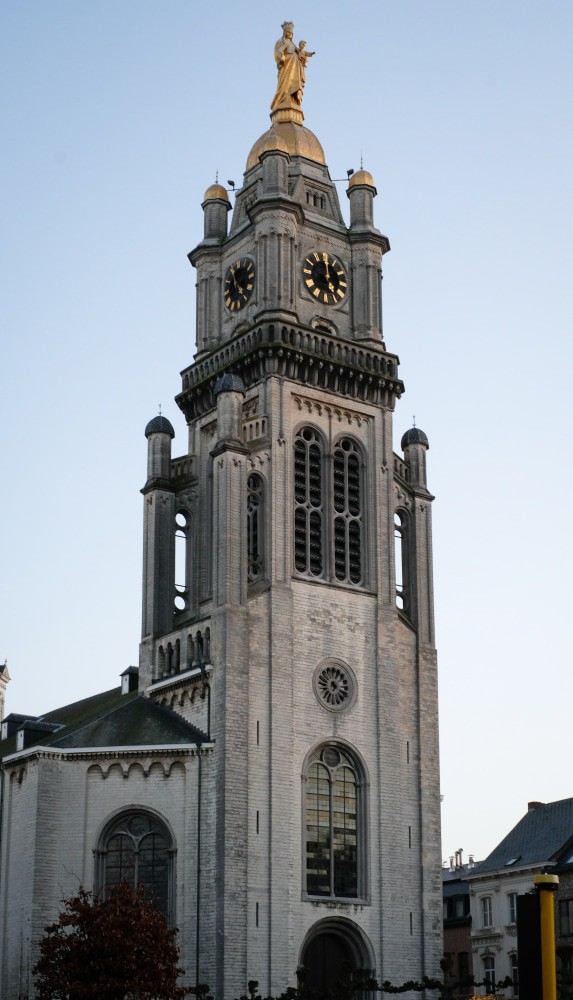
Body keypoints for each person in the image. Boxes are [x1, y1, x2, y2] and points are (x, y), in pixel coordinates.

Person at [271, 22, 313, 113]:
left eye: (291, 33)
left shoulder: (293, 45)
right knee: (285, 84)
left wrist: (304, 56)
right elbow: (278, 51)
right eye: (288, 32)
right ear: (285, 33)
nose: (290, 34)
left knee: (293, 83)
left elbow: (300, 52)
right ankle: (282, 99)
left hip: (295, 67)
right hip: (286, 66)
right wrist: (282, 56)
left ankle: (292, 99)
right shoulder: (281, 42)